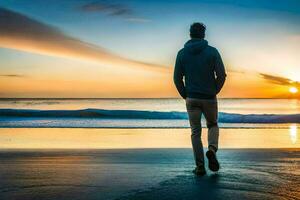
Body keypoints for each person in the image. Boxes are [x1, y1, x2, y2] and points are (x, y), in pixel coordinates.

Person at [173, 22, 226, 176]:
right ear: (203, 34)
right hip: (209, 97)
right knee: (213, 125)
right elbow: (221, 75)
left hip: (192, 98)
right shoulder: (212, 52)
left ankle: (200, 167)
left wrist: (185, 94)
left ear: (190, 34)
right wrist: (214, 90)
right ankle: (211, 149)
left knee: (195, 132)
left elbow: (177, 78)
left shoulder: (182, 54)